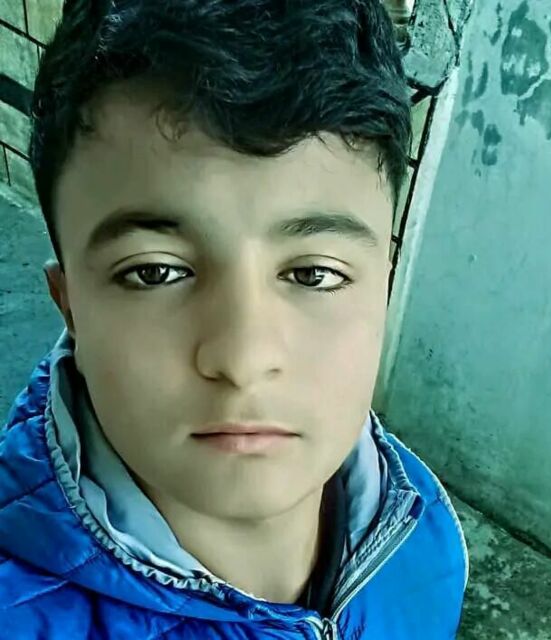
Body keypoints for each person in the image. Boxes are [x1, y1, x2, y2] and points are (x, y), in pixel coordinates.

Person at [0, 1, 468, 637]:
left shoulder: (422, 535)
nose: (244, 359)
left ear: (382, 289)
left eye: (314, 274)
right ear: (69, 305)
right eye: (155, 272)